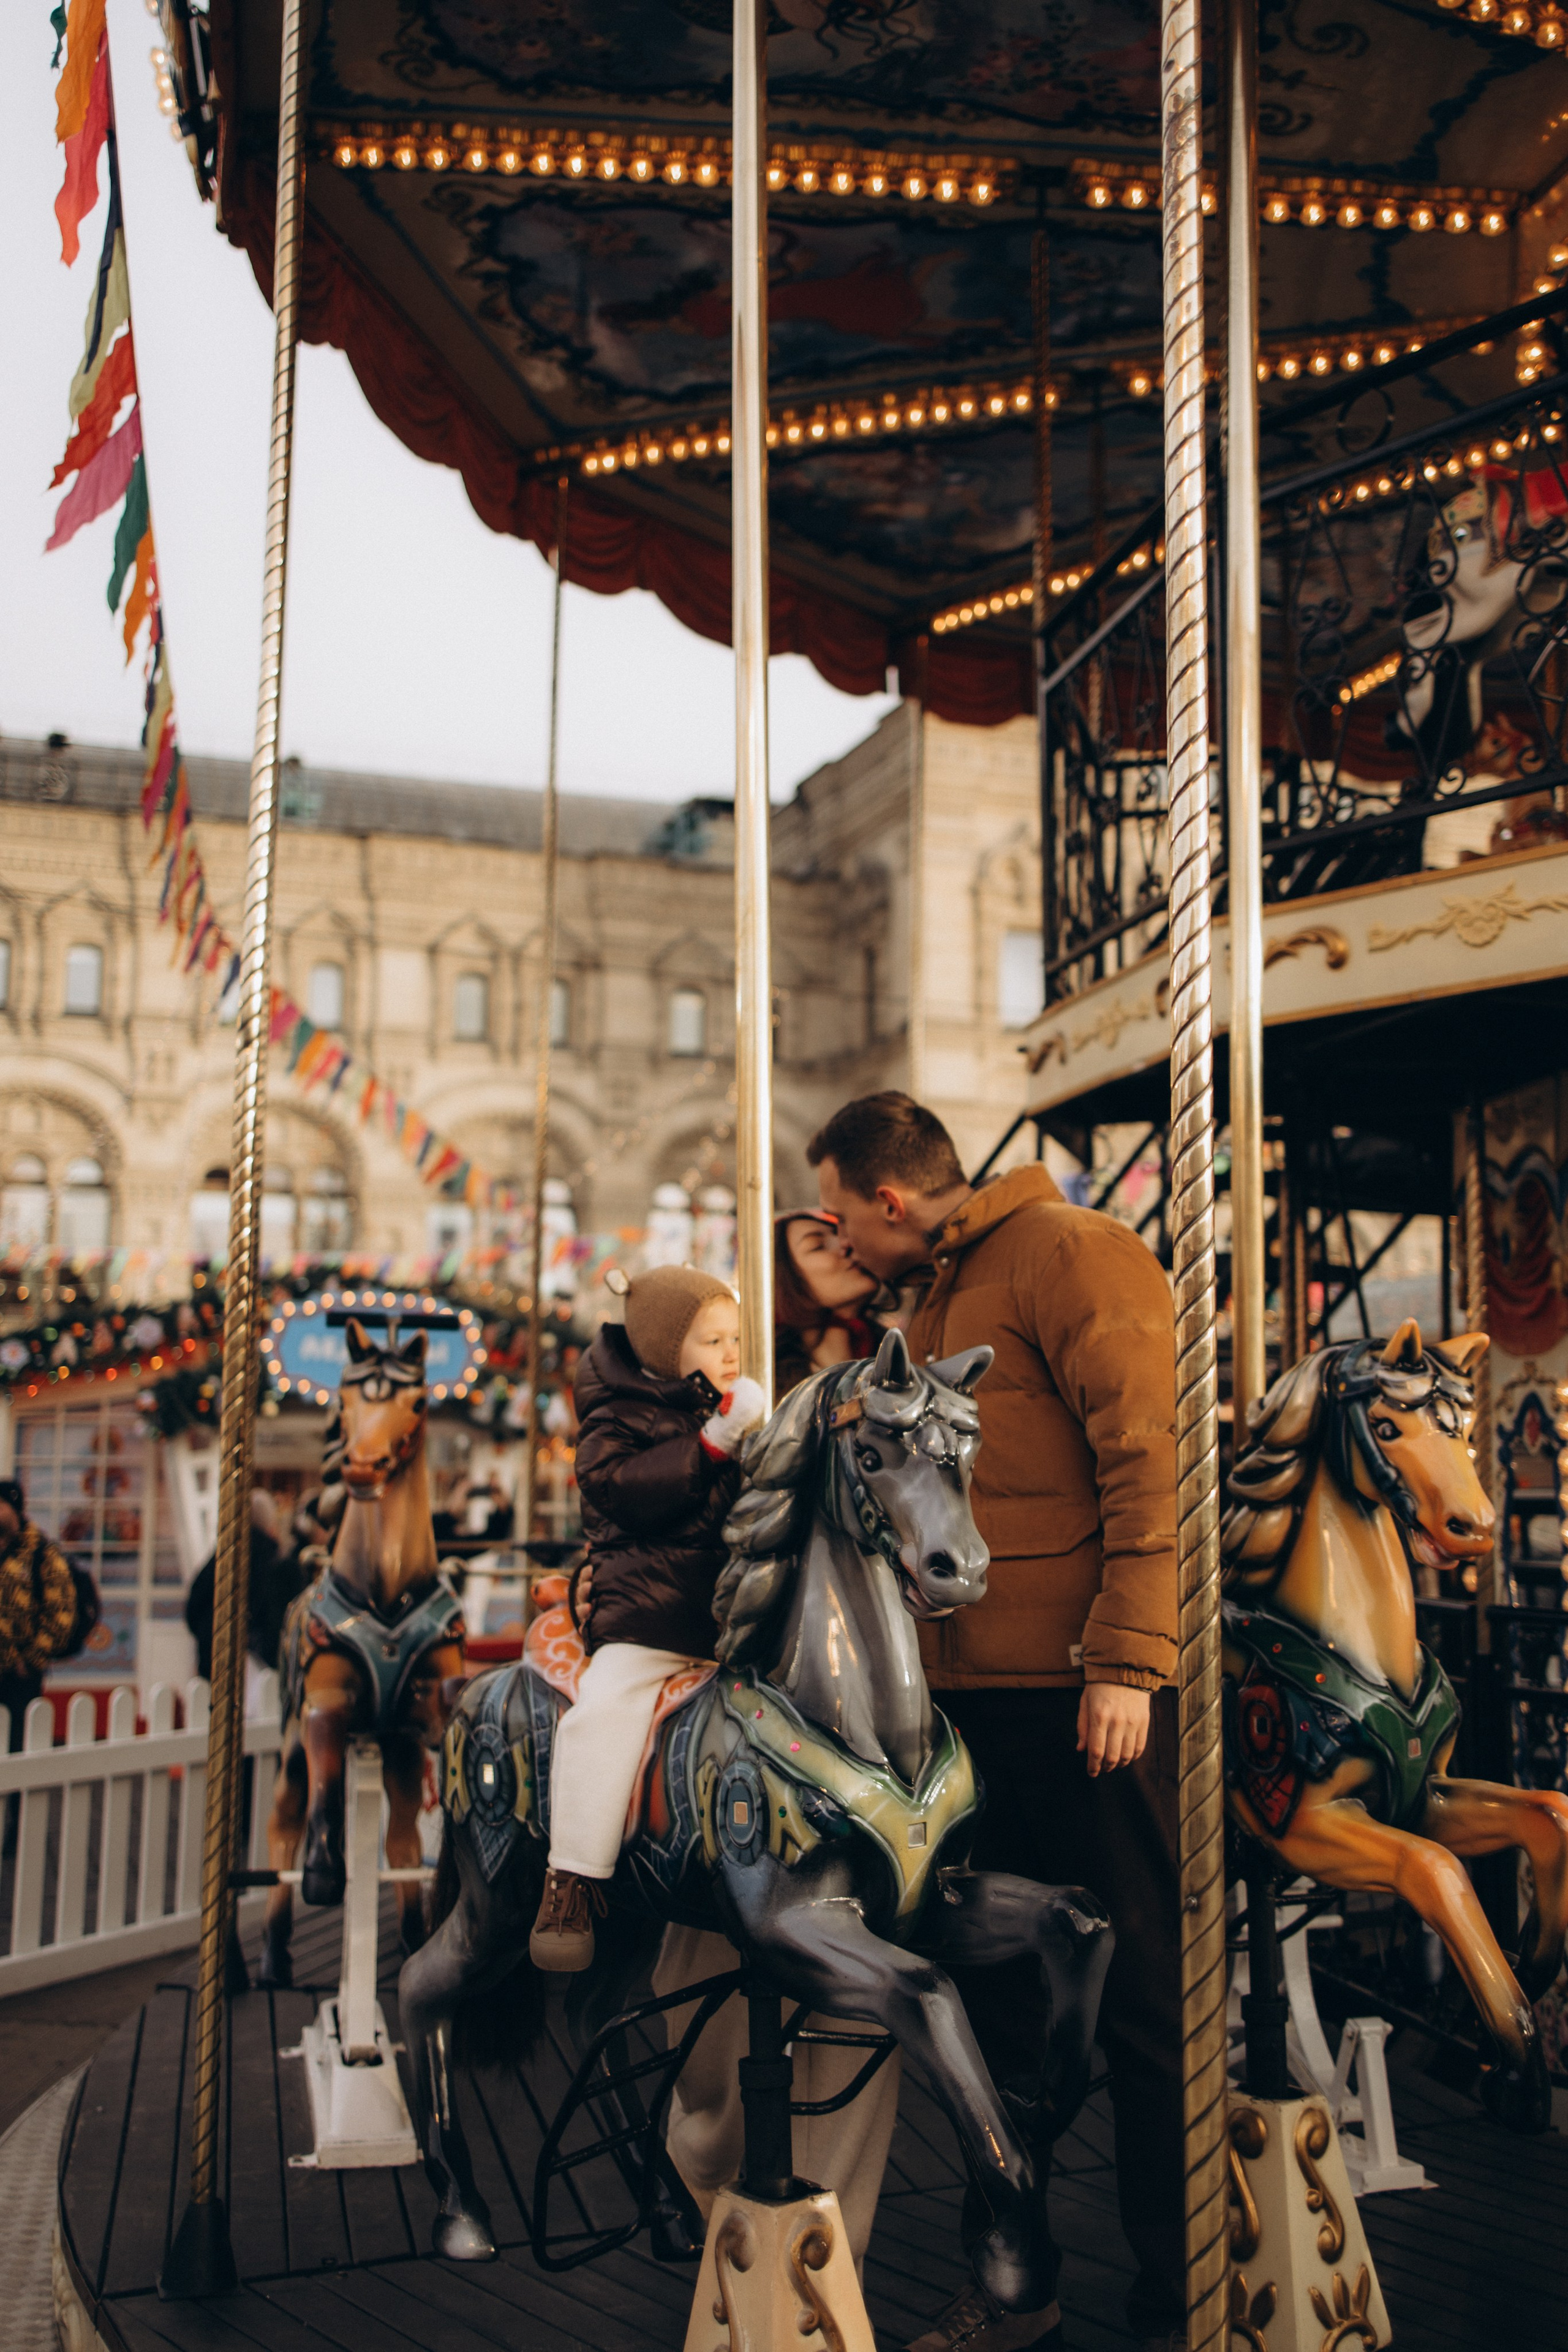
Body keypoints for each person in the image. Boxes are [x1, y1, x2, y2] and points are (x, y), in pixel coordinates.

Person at [809, 1091, 1182, 2352]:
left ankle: (1180, 2288)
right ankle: (1015, 2285)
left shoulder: (1072, 1252)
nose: (837, 1240)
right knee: (995, 2017)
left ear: (890, 1199)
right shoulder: (926, 1303)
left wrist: (1127, 1659)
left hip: (1084, 1696)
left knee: (1141, 1993)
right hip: (963, 1706)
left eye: (840, 1218)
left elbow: (1148, 1455)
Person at [529, 1265, 766, 1972]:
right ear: (665, 1351)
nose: (731, 1353)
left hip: (733, 1617)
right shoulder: (617, 1416)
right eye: (712, 1341)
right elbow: (622, 1491)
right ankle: (570, 1878)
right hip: (651, 1617)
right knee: (605, 1713)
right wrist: (714, 1445)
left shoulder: (728, 1409)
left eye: (735, 1338)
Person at [0, 1476, 80, 1749]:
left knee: (17, 1745)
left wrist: (31, 1660)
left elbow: (61, 1612)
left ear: (14, 1509)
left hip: (19, 1675)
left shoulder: (41, 1553)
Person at [773, 1208, 882, 1396]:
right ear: (786, 1283)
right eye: (818, 1246)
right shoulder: (775, 1393)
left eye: (839, 1235)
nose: (845, 1245)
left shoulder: (891, 1352)